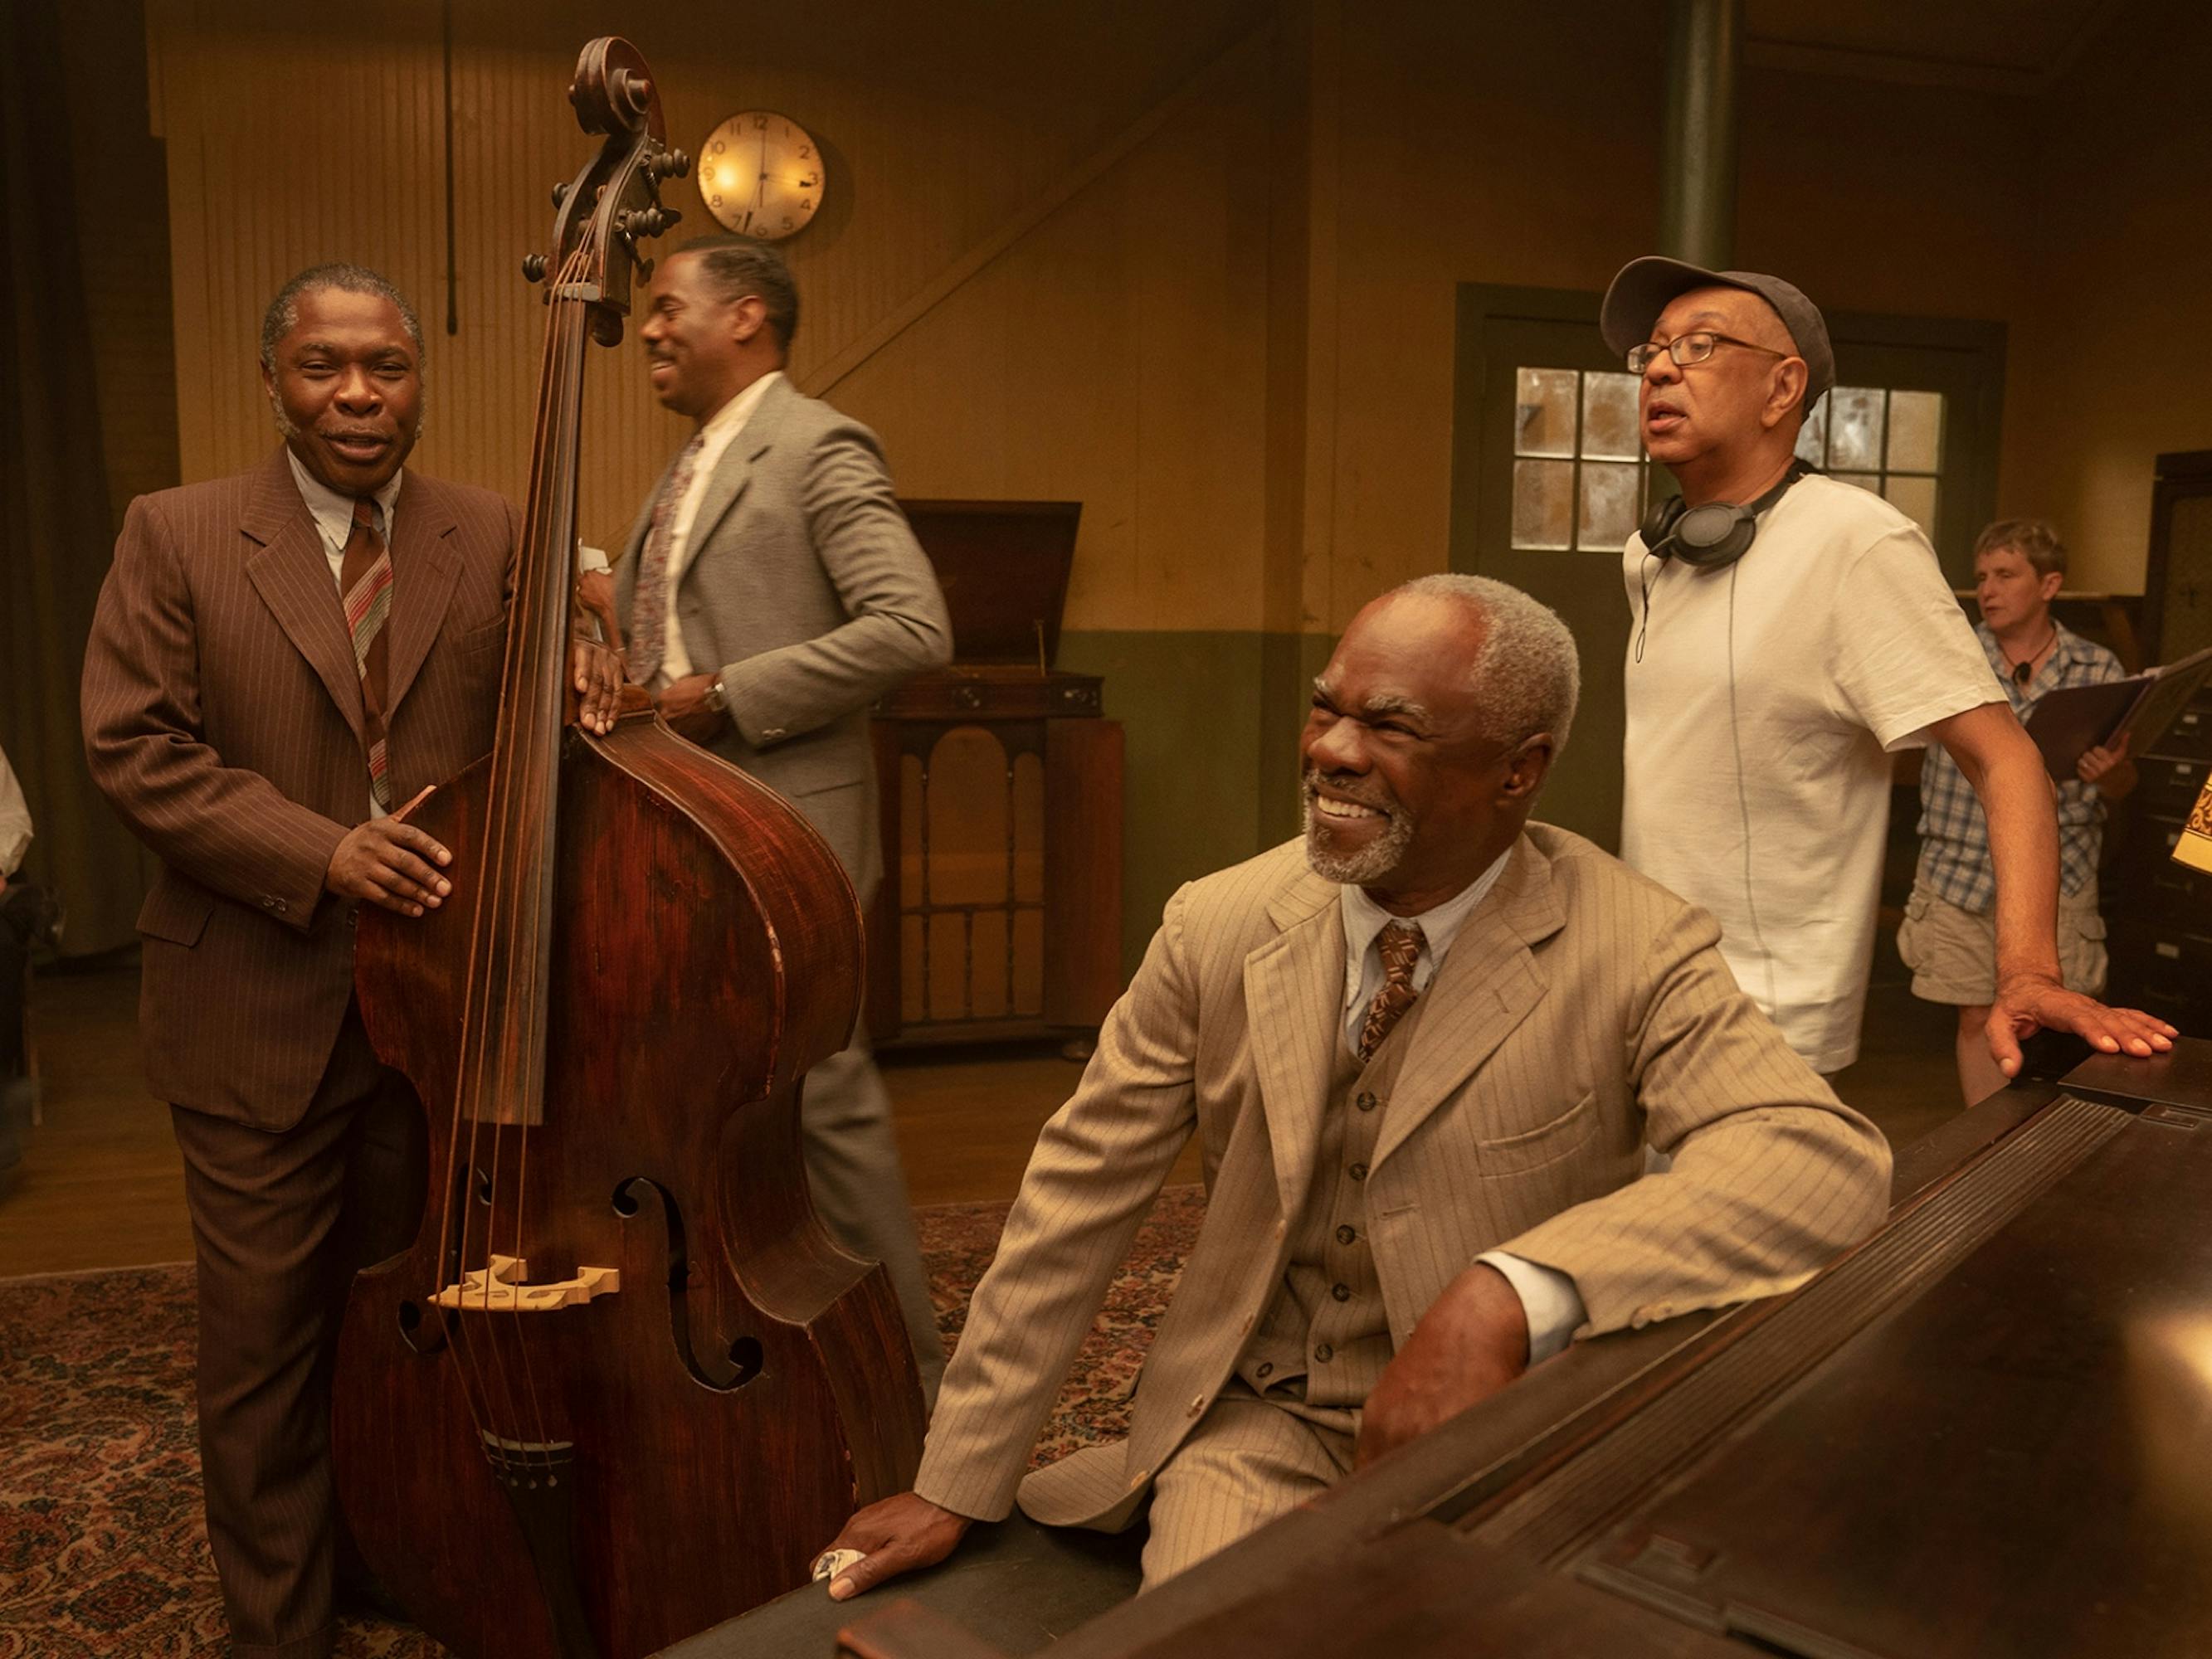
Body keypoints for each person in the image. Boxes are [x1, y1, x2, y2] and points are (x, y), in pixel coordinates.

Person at [818, 575, 1892, 1598]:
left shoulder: (1634, 946)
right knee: (1207, 1631)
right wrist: (954, 1479)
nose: (1330, 751)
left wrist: (1515, 1292)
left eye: (1390, 726)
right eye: (1324, 709)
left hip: (1503, 1434)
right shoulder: (1218, 925)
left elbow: (1816, 1162)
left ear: (1518, 769)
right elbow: (1074, 1202)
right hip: (1251, 1428)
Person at [80, 263, 620, 1659]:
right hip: (253, 1007)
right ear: (275, 380)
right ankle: (283, 1633)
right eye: (324, 367)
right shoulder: (177, 533)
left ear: (419, 379)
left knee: (401, 1331)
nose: (358, 394)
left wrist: (582, 624)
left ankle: (390, 1560)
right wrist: (321, 852)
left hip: (437, 1022)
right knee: (261, 1352)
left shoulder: (490, 526)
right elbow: (133, 748)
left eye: (385, 367)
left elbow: (537, 683)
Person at [1601, 256, 2172, 1079]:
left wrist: (2027, 972)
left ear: (1780, 387)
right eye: (1651, 351)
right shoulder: (1649, 558)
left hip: (1761, 1022)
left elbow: (2003, 755)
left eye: (1697, 345)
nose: (1658, 366)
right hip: (1643, 990)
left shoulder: (1857, 545)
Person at [603, 234, 954, 1404]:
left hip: (788, 830)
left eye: (667, 308)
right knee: (719, 1100)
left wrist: (727, 695)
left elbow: (911, 627)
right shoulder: (687, 463)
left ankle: (916, 1375)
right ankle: (774, 1349)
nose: (648, 330)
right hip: (692, 828)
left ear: (745, 315)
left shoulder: (814, 445)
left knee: (824, 1094)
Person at [1903, 519, 2136, 1106]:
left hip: (2062, 878)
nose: (1989, 589)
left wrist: (2112, 776)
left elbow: (2125, 785)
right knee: (1978, 1020)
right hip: (1958, 872)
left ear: (2049, 584)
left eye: (2006, 575)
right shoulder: (1949, 656)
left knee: (2059, 1026)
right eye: (1982, 577)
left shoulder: (2099, 669)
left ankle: (2046, 1158)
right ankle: (1988, 1148)